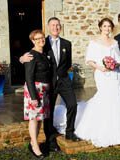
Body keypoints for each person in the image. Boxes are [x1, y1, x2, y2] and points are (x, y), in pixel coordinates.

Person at [20, 17, 80, 152]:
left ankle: (70, 132)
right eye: (53, 25)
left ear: (61, 27)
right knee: (49, 112)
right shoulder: (42, 41)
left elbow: (68, 63)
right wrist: (21, 58)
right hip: (49, 82)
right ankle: (51, 141)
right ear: (48, 27)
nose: (55, 27)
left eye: (58, 25)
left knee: (72, 104)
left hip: (64, 80)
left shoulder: (67, 44)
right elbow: (32, 54)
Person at [72, 18, 120, 147]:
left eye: (109, 26)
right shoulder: (94, 42)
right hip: (101, 74)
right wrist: (100, 67)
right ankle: (101, 129)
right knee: (104, 97)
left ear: (111, 28)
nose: (107, 28)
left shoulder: (115, 42)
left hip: (114, 74)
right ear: (100, 27)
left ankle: (118, 132)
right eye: (104, 26)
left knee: (116, 98)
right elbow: (89, 60)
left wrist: (114, 64)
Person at [24, 30, 50, 159]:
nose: (41, 40)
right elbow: (29, 77)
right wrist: (33, 97)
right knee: (34, 118)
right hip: (34, 90)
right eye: (37, 38)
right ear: (33, 41)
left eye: (42, 37)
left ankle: (32, 142)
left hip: (44, 90)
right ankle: (35, 146)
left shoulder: (43, 54)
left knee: (40, 118)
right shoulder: (31, 55)